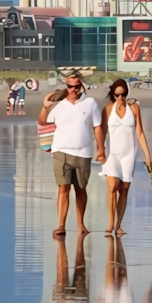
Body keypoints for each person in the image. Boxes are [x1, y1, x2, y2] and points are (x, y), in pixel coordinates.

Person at [39, 73, 104, 237]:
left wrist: (101, 149)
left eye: (76, 86)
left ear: (81, 86)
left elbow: (97, 127)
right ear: (66, 86)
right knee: (63, 188)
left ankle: (80, 224)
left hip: (84, 153)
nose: (73, 89)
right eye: (70, 86)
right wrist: (46, 105)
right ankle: (60, 225)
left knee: (81, 189)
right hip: (61, 151)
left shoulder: (90, 103)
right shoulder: (58, 105)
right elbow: (42, 121)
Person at [97, 78, 152, 236]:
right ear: (113, 95)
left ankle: (118, 225)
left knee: (124, 188)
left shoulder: (134, 109)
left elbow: (140, 133)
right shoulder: (108, 109)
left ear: (127, 94)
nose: (120, 98)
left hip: (129, 154)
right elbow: (101, 132)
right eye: (117, 95)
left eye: (123, 95)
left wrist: (148, 156)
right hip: (113, 154)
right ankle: (110, 223)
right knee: (112, 186)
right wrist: (100, 150)